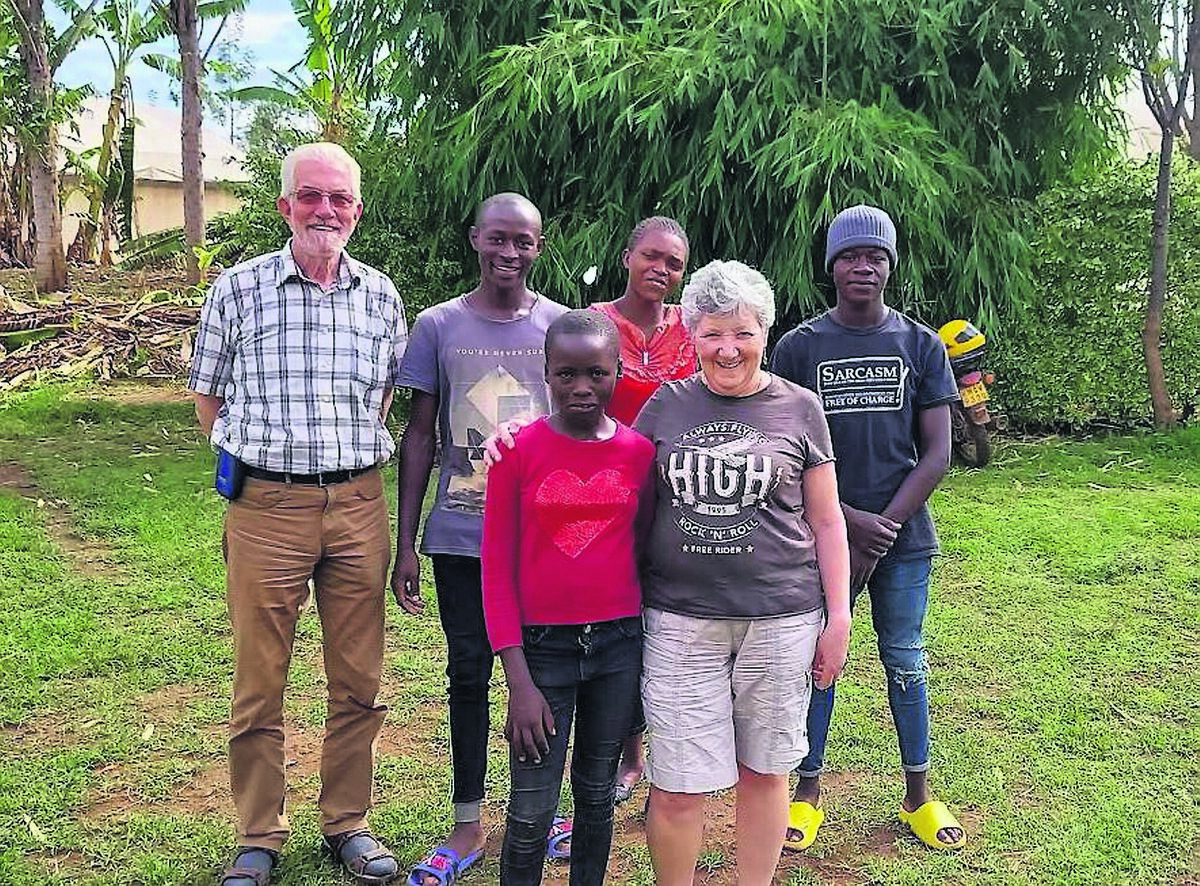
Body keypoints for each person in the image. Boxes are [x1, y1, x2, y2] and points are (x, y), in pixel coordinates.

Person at [188, 142, 408, 886]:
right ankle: (260, 833)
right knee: (261, 678)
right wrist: (267, 464)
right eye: (310, 196)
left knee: (361, 679)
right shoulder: (240, 288)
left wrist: (338, 465)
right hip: (266, 507)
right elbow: (206, 398)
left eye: (339, 198)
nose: (325, 210)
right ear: (285, 206)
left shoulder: (381, 296)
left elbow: (381, 399)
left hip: (357, 504)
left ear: (357, 211)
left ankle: (347, 821)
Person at [634, 260, 851, 885]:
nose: (728, 349)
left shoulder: (801, 409)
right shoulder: (664, 408)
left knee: (766, 771)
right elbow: (610, 475)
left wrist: (839, 617)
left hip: (783, 619)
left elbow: (828, 522)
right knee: (677, 785)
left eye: (743, 332)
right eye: (712, 334)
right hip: (678, 621)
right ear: (690, 333)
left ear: (765, 331)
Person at [770, 204, 966, 851]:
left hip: (903, 544)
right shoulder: (799, 348)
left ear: (889, 266)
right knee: (820, 661)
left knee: (905, 661)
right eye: (850, 256)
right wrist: (847, 522)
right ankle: (807, 792)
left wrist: (884, 524)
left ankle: (918, 794)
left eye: (875, 256)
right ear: (832, 267)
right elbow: (782, 450)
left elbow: (937, 450)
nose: (863, 266)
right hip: (822, 540)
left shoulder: (921, 344)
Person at [393, 193, 569, 886]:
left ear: (539, 246)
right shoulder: (438, 325)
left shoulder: (560, 324)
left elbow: (574, 432)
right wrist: (407, 541)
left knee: (548, 674)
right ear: (475, 239)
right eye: (498, 239)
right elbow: (418, 436)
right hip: (462, 536)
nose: (510, 253)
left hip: (544, 541)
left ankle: (544, 810)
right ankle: (467, 820)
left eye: (523, 241)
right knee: (468, 673)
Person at [482, 309, 656, 885]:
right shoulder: (517, 452)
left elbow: (647, 552)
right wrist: (518, 680)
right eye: (567, 374)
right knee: (531, 811)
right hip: (541, 654)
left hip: (618, 646)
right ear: (546, 373)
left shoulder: (638, 454)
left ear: (618, 372)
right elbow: (497, 569)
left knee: (597, 796)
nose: (582, 388)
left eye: (597, 374)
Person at [588, 215, 695, 803]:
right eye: (651, 256)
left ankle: (669, 750)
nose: (661, 269)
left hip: (680, 496)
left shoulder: (693, 329)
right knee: (621, 622)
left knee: (668, 620)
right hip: (606, 494)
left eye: (674, 263)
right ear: (628, 256)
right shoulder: (595, 324)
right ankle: (627, 753)